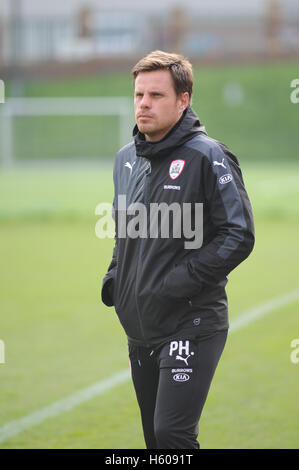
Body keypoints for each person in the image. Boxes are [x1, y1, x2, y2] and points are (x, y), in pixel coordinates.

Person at [101, 50, 255, 449]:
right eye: (139, 95)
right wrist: (115, 276)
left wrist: (177, 282)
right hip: (140, 326)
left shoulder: (208, 156)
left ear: (183, 100)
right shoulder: (125, 160)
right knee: (156, 441)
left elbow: (238, 234)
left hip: (192, 321)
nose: (144, 104)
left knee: (172, 436)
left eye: (156, 95)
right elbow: (126, 232)